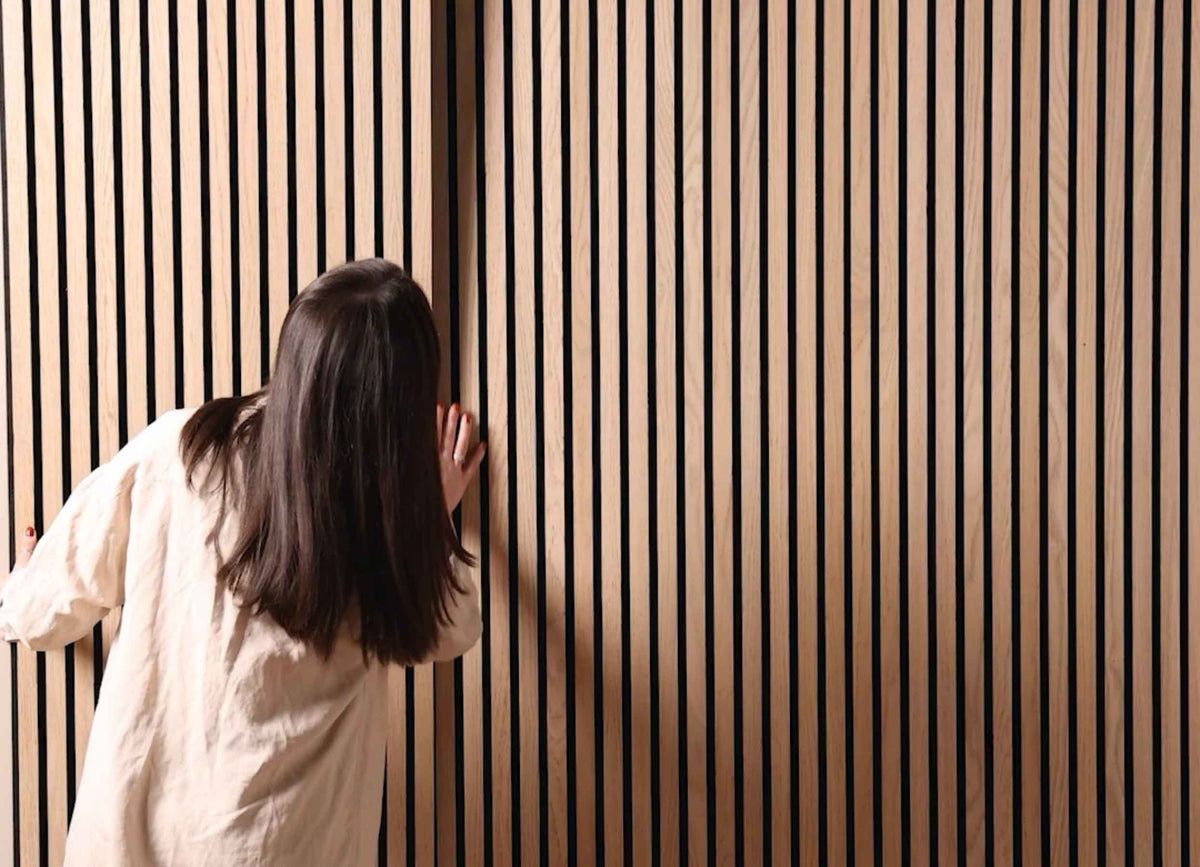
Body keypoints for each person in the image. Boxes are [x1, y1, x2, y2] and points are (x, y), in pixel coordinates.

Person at [1, 259, 486, 865]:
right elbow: (453, 628)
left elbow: (50, 600)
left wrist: (22, 586)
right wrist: (430, 512)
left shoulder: (181, 454)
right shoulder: (381, 539)